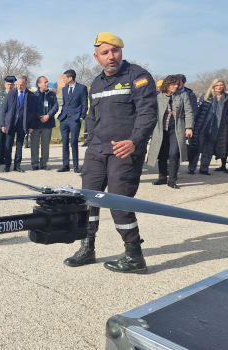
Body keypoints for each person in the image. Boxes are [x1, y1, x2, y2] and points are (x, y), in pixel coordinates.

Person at [64, 32, 157, 274]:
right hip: (97, 150)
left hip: (124, 151)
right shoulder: (96, 83)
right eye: (105, 53)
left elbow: (148, 114)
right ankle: (87, 247)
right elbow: (92, 115)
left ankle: (134, 256)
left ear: (121, 51)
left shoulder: (138, 77)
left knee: (119, 204)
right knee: (86, 200)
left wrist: (135, 142)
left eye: (114, 51)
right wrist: (90, 139)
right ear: (97, 57)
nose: (111, 56)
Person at [146, 75, 194, 189]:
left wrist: (189, 127)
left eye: (177, 84)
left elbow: (189, 112)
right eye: (174, 84)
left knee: (173, 154)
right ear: (167, 84)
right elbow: (151, 113)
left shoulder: (183, 95)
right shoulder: (158, 97)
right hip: (161, 130)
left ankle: (172, 180)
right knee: (162, 154)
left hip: (176, 130)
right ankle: (162, 177)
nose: (176, 86)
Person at [189, 79, 228, 175]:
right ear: (213, 86)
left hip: (217, 127)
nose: (219, 87)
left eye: (221, 85)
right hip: (203, 125)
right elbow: (198, 111)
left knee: (209, 148)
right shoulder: (206, 96)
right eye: (217, 85)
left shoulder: (227, 98)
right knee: (197, 147)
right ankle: (192, 167)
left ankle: (204, 168)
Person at [1, 76, 38, 172]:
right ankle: (7, 166)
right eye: (18, 85)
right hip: (11, 123)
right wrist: (3, 124)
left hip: (23, 123)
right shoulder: (11, 94)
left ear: (26, 84)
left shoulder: (30, 95)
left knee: (19, 145)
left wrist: (31, 126)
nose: (19, 87)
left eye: (21, 85)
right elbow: (4, 110)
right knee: (8, 145)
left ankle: (17, 166)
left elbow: (33, 112)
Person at [57, 69, 88, 173]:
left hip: (75, 119)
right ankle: (65, 165)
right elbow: (65, 104)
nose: (63, 80)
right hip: (64, 119)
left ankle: (75, 165)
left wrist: (81, 117)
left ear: (70, 78)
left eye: (65, 78)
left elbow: (84, 104)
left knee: (73, 142)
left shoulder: (82, 88)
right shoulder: (64, 89)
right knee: (64, 142)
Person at [31, 76, 58, 170]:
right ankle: (34, 163)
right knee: (34, 144)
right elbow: (31, 109)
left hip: (48, 123)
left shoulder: (52, 94)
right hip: (36, 124)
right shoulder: (33, 95)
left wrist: (48, 116)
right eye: (45, 82)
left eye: (47, 82)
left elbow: (55, 107)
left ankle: (43, 163)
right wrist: (40, 117)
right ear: (39, 84)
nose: (47, 84)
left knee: (45, 144)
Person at [0, 76, 16, 165]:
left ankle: (4, 158)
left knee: (6, 141)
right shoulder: (0, 95)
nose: (10, 86)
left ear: (14, 85)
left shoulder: (15, 95)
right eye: (8, 84)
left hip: (9, 122)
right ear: (5, 85)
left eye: (11, 85)